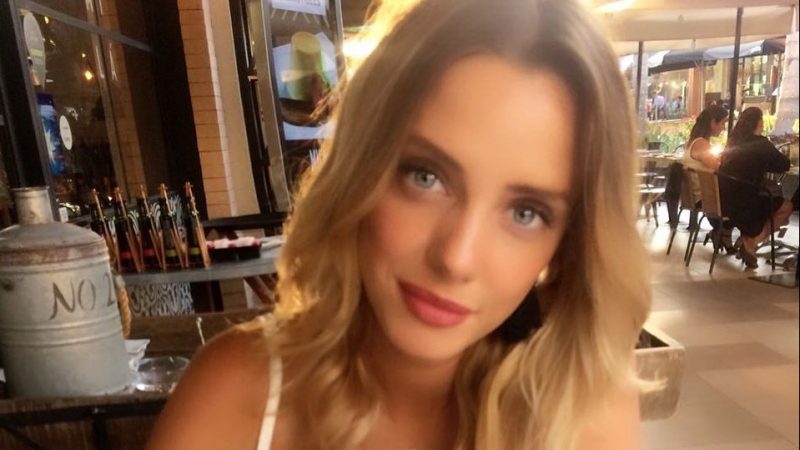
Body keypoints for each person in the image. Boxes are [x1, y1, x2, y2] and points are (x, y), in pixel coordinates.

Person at [146, 1, 650, 449]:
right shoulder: (236, 392)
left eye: (526, 212)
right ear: (363, 166)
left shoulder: (585, 411)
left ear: (568, 244)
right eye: (426, 176)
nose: (456, 257)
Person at [720, 107, 792, 268]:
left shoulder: (732, 141)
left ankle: (749, 242)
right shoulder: (761, 143)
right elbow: (784, 164)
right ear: (758, 122)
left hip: (724, 202)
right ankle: (752, 242)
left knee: (770, 201)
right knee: (786, 206)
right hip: (747, 203)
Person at [682, 105, 728, 233]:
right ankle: (733, 237)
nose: (724, 127)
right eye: (723, 123)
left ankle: (724, 236)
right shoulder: (701, 144)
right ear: (713, 123)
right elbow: (719, 169)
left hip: (699, 198)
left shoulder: (693, 142)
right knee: (748, 202)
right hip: (707, 199)